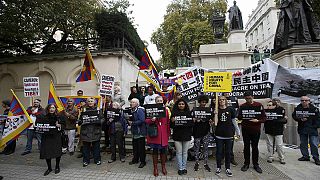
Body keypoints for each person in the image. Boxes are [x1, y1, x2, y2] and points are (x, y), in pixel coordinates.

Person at [238, 91, 266, 173]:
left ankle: (256, 164)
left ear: (253, 97)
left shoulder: (258, 105)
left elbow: (264, 118)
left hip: (256, 129)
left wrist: (258, 120)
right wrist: (242, 116)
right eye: (246, 99)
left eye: (249, 98)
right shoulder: (242, 106)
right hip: (245, 129)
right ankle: (246, 163)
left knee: (255, 147)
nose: (248, 100)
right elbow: (239, 116)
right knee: (246, 147)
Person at [214, 96, 241, 177]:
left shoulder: (230, 109)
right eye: (220, 100)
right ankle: (218, 167)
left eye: (223, 100)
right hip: (219, 135)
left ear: (226, 101)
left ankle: (228, 168)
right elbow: (214, 124)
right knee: (219, 152)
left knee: (228, 152)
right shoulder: (216, 110)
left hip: (229, 135)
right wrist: (215, 115)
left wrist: (238, 131)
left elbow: (234, 121)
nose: (221, 101)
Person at [145, 96, 170, 176]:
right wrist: (152, 119)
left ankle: (163, 167)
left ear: (163, 101)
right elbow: (146, 120)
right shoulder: (151, 110)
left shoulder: (166, 110)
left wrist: (168, 133)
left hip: (163, 134)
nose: (159, 101)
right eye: (158, 100)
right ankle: (155, 168)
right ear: (156, 102)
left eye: (160, 100)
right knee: (155, 151)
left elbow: (168, 123)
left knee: (163, 152)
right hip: (155, 134)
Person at [292, 96, 320, 165]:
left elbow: (318, 119)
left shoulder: (314, 109)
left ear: (309, 101)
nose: (304, 102)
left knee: (313, 144)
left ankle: (316, 158)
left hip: (312, 129)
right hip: (302, 129)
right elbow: (294, 116)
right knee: (303, 143)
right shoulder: (298, 108)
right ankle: (305, 156)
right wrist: (300, 119)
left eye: (305, 100)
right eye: (302, 100)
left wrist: (315, 126)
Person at [39, 104, 64, 176]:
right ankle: (49, 168)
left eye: (53, 108)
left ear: (55, 109)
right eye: (50, 108)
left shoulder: (59, 117)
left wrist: (59, 126)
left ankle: (57, 166)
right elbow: (40, 125)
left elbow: (64, 125)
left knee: (57, 152)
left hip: (56, 136)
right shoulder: (43, 117)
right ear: (48, 109)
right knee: (47, 152)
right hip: (46, 137)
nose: (51, 109)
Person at [78, 97, 104, 167]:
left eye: (91, 101)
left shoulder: (98, 110)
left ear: (94, 102)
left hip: (95, 131)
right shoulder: (84, 110)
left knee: (96, 147)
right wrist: (80, 122)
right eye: (89, 101)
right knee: (86, 148)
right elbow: (80, 119)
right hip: (86, 131)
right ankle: (86, 161)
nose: (90, 102)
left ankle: (97, 160)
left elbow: (102, 119)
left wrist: (99, 122)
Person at [171, 99, 194, 175]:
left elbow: (191, 125)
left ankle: (184, 167)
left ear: (185, 105)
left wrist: (193, 121)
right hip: (177, 136)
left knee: (185, 152)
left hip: (186, 135)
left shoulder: (188, 113)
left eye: (182, 104)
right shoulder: (174, 113)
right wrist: (172, 121)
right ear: (177, 105)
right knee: (179, 152)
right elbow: (171, 126)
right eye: (179, 104)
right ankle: (180, 168)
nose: (181, 105)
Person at [192, 95, 212, 172]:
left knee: (205, 148)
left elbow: (212, 119)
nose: (203, 103)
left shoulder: (208, 110)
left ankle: (205, 163)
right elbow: (191, 120)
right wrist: (194, 120)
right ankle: (196, 162)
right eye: (202, 102)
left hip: (206, 132)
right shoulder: (194, 110)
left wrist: (211, 121)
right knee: (196, 148)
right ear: (199, 102)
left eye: (205, 102)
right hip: (197, 132)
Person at [264, 99, 287, 164]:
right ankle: (270, 157)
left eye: (271, 105)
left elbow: (284, 120)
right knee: (270, 144)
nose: (269, 106)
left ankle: (281, 158)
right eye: (268, 105)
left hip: (278, 129)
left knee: (279, 145)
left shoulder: (281, 109)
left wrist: (276, 120)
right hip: (268, 129)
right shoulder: (265, 110)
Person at [128, 98, 147, 168]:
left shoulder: (140, 110)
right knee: (135, 147)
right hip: (134, 132)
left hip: (140, 132)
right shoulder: (131, 110)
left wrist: (133, 123)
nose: (131, 103)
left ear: (137, 104)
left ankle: (143, 161)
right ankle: (135, 159)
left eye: (133, 102)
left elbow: (142, 120)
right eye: (131, 102)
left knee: (141, 148)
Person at [222, 92, 239, 166]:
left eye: (228, 92)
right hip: (222, 124)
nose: (227, 94)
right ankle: (222, 158)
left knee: (231, 143)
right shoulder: (220, 100)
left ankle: (231, 158)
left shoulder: (234, 99)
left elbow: (238, 109)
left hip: (232, 124)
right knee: (222, 143)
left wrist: (236, 117)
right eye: (225, 92)